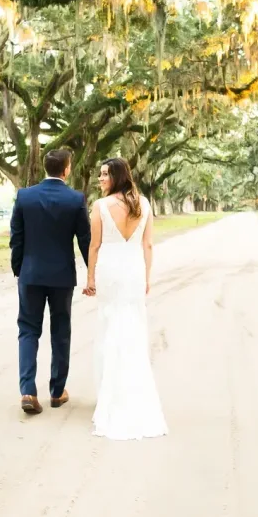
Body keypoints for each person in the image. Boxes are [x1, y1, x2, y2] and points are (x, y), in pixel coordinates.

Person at [84, 157, 168, 441]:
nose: (100, 179)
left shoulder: (99, 206)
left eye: (105, 174)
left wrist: (90, 278)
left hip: (110, 269)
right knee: (130, 326)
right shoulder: (143, 204)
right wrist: (146, 276)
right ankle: (130, 390)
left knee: (111, 326)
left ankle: (111, 394)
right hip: (132, 269)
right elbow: (148, 244)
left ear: (118, 176)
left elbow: (94, 246)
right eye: (100, 174)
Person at [9, 149, 91, 415]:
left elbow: (16, 238)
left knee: (28, 330)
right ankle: (57, 392)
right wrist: (93, 274)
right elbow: (85, 241)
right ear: (66, 169)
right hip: (61, 276)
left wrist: (19, 269)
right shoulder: (75, 199)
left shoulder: (25, 196)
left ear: (46, 168)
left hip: (31, 274)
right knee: (60, 331)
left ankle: (28, 391)